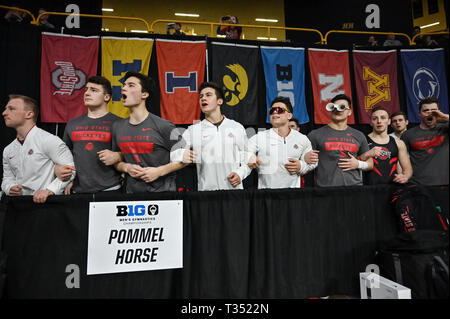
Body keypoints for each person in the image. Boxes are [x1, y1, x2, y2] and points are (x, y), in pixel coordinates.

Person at [111, 72, 191, 193]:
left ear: (144, 94)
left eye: (131, 85)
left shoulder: (163, 126)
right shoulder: (117, 127)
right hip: (132, 195)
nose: (124, 88)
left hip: (164, 194)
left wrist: (159, 171)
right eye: (124, 85)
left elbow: (187, 157)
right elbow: (116, 162)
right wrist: (127, 167)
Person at [1, 95, 75, 203]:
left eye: (11, 109)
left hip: (46, 206)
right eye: (6, 109)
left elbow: (71, 170)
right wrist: (9, 187)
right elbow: (7, 178)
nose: (4, 113)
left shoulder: (49, 140)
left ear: (29, 114)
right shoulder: (8, 150)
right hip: (18, 207)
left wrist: (49, 190)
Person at [176, 81, 249, 191]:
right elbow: (176, 153)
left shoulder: (236, 127)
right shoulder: (193, 130)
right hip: (206, 195)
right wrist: (182, 154)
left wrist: (240, 174)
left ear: (219, 101)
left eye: (208, 95)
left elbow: (247, 157)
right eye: (201, 96)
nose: (203, 99)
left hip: (234, 192)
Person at [59, 76, 123, 194]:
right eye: (86, 89)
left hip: (110, 189)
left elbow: (134, 153)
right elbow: (64, 156)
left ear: (106, 97)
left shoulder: (120, 123)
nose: (87, 93)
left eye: (94, 90)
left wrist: (119, 155)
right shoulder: (72, 124)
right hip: (78, 190)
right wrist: (67, 179)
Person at [246, 97, 317, 189]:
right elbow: (245, 153)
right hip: (266, 195)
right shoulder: (259, 137)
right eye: (272, 110)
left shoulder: (302, 139)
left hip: (292, 196)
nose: (275, 112)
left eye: (280, 110)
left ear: (289, 116)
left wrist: (301, 166)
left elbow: (313, 162)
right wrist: (250, 157)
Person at [307, 94, 373, 187]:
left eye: (342, 107)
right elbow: (306, 163)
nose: (337, 110)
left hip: (354, 188)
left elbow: (370, 164)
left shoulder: (359, 135)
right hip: (325, 190)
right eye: (334, 107)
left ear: (349, 112)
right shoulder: (315, 135)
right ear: (330, 110)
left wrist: (358, 164)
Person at [401, 97, 449, 186]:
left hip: (445, 183)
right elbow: (401, 160)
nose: (429, 113)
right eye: (425, 110)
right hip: (418, 184)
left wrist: (444, 117)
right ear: (419, 113)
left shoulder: (445, 129)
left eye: (434, 110)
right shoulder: (408, 135)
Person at [360, 106, 412, 185]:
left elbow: (407, 169)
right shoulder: (363, 141)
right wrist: (367, 154)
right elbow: (355, 162)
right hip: (369, 190)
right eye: (375, 118)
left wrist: (405, 177)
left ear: (389, 121)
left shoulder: (399, 143)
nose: (379, 121)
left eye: (383, 118)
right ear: (371, 122)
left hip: (393, 189)